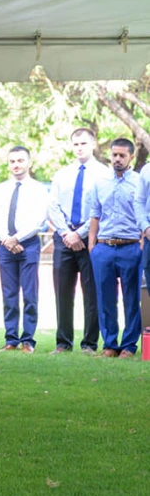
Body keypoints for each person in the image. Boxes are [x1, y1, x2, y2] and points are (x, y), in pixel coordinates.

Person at [47, 128, 108, 353]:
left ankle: (89, 343)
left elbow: (101, 208)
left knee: (91, 293)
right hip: (64, 238)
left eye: (83, 143)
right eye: (75, 144)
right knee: (62, 293)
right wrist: (66, 233)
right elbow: (53, 206)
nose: (79, 147)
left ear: (93, 144)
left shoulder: (104, 174)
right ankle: (63, 343)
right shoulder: (62, 173)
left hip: (91, 239)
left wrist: (80, 234)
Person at [86, 138, 148, 358]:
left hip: (131, 247)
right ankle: (110, 344)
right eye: (114, 155)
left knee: (131, 299)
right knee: (105, 298)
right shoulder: (100, 182)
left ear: (131, 157)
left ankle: (129, 346)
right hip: (104, 248)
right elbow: (94, 214)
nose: (117, 159)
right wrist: (92, 245)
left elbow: (144, 212)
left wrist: (142, 241)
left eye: (122, 155)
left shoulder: (140, 181)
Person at [0, 146, 48, 353]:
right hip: (5, 246)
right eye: (12, 161)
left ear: (29, 162)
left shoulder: (39, 189)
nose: (16, 165)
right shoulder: (1, 189)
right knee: (9, 295)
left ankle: (28, 340)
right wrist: (7, 239)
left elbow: (39, 219)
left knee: (30, 295)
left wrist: (17, 238)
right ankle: (11, 339)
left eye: (20, 160)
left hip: (28, 244)